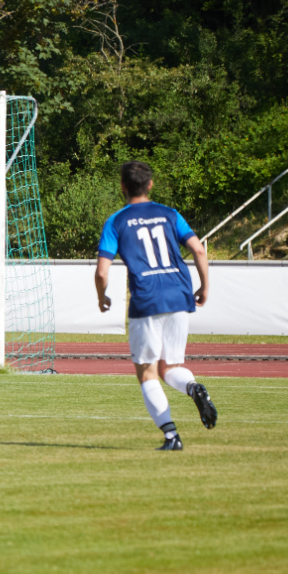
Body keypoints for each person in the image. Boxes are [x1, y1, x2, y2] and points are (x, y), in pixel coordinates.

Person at [95, 160, 217, 450]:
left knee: (148, 372)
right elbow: (198, 250)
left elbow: (101, 272)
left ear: (122, 187)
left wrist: (102, 297)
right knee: (170, 367)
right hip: (179, 294)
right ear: (150, 185)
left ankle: (172, 437)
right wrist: (204, 287)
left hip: (147, 299)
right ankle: (193, 388)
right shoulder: (170, 214)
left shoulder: (117, 221)